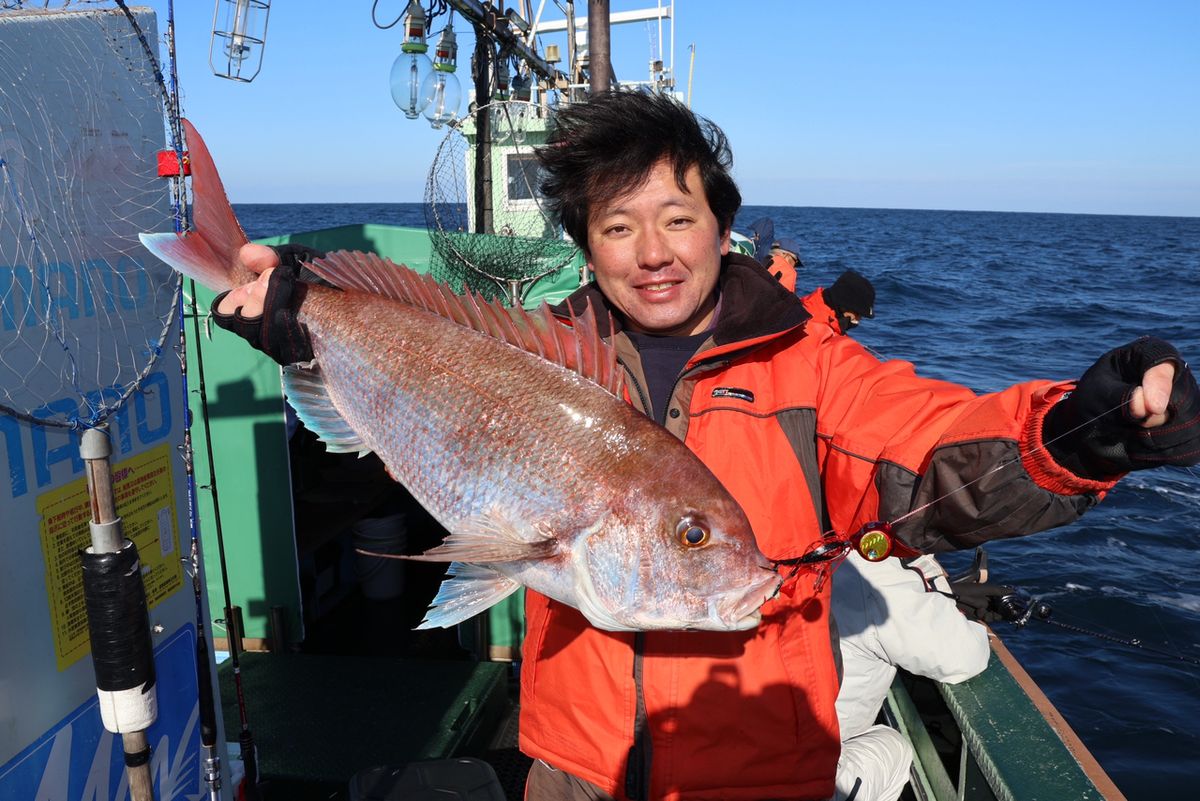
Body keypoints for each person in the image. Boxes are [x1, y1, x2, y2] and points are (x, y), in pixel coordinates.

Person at [210, 90, 1200, 801]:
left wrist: (1083, 432)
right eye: (617, 226)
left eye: (680, 218)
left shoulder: (811, 368)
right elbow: (440, 457)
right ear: (586, 244)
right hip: (571, 772)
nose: (653, 251)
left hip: (761, 776)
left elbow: (934, 447)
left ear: (721, 225)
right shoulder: (539, 348)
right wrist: (306, 322)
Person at [831, 552, 992, 801]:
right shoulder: (867, 570)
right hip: (800, 772)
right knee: (895, 746)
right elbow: (964, 657)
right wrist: (976, 625)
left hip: (755, 750)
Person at [803, 268, 875, 335]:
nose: (858, 320)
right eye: (858, 314)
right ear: (844, 307)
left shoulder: (812, 303)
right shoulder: (816, 327)